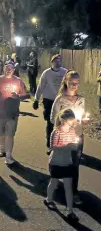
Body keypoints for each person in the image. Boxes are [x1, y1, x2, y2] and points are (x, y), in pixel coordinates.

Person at [50, 70, 86, 205]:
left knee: (75, 163)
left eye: (77, 83)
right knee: (62, 161)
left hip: (77, 135)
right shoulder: (60, 99)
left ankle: (73, 191)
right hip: (64, 136)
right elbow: (53, 118)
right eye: (71, 83)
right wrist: (64, 123)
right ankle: (56, 184)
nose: (74, 86)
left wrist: (83, 120)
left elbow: (82, 117)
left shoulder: (81, 99)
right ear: (66, 82)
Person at [0, 62, 29, 165]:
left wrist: (19, 96)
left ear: (14, 69)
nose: (8, 70)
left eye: (10, 68)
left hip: (12, 114)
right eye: (6, 68)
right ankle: (2, 147)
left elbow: (27, 95)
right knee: (0, 133)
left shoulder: (18, 81)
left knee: (10, 135)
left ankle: (9, 155)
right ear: (3, 69)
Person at [44, 108, 79, 222]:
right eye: (70, 120)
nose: (72, 123)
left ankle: (70, 211)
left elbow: (74, 144)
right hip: (56, 162)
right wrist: (67, 146)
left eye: (72, 120)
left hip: (67, 162)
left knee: (68, 187)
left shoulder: (72, 131)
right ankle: (48, 199)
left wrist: (74, 146)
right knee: (54, 183)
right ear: (63, 119)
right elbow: (53, 147)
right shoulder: (56, 132)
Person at [33, 54, 67, 152]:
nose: (58, 62)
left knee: (62, 122)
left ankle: (61, 143)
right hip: (49, 100)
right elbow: (40, 86)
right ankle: (50, 143)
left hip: (62, 100)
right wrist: (36, 99)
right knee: (50, 122)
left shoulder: (65, 72)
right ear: (52, 62)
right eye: (56, 60)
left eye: (60, 60)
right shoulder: (47, 73)